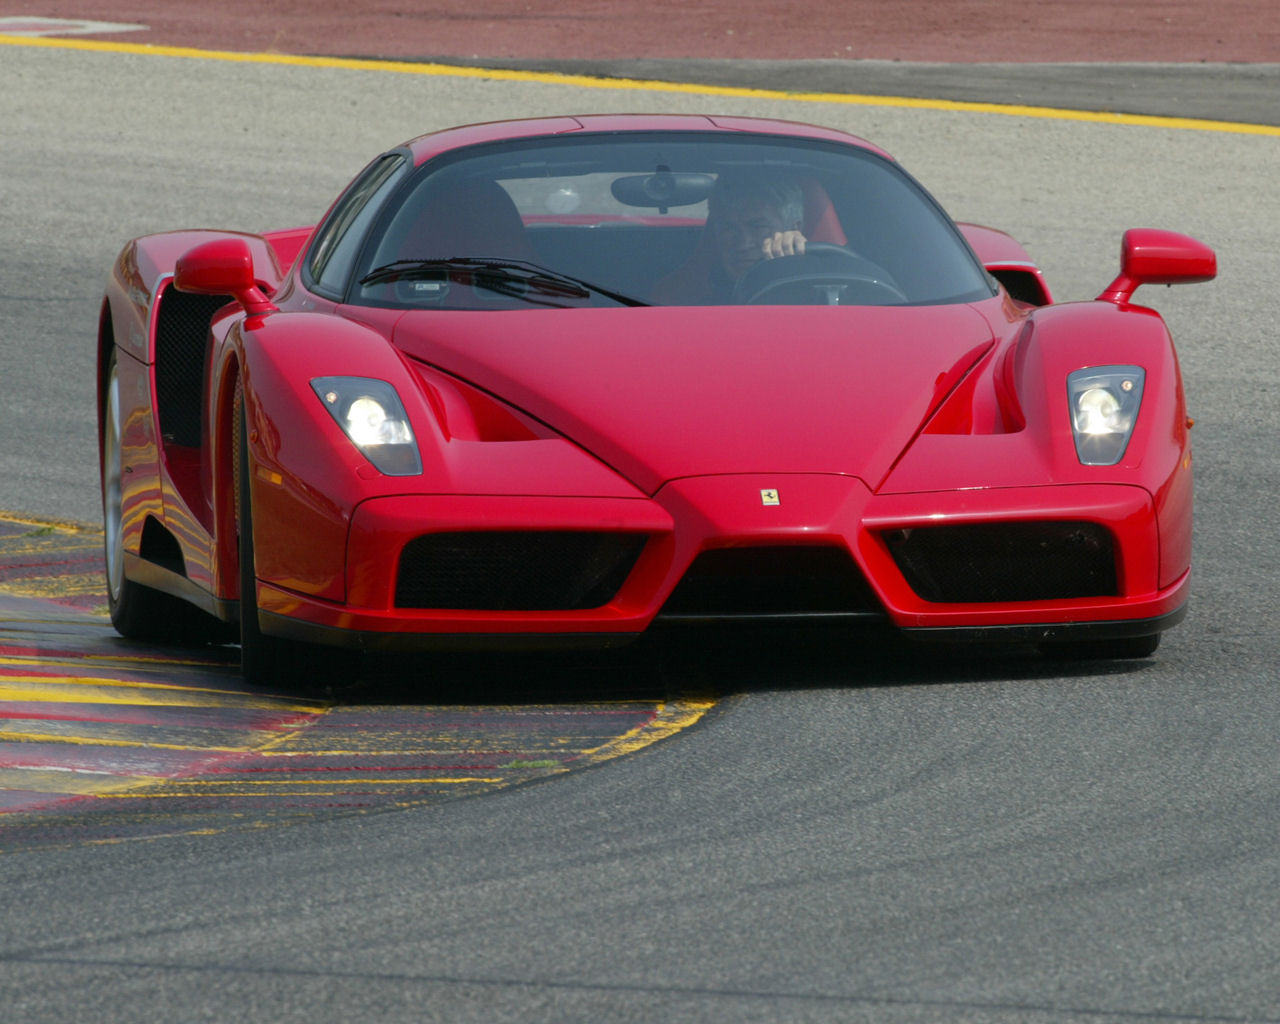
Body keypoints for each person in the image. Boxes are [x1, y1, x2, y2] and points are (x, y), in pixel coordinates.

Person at [652, 172, 808, 305]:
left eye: (758, 227)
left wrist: (797, 264)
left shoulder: (825, 285)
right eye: (729, 229)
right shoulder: (696, 303)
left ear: (794, 228)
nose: (743, 244)